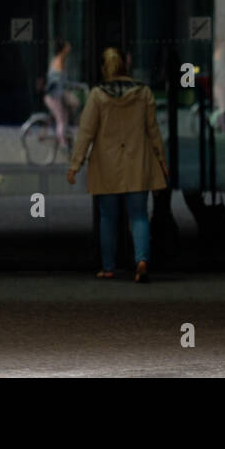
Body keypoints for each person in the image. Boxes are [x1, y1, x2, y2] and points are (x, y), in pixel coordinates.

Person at [66, 47, 169, 282]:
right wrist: (162, 160)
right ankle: (141, 260)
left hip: (107, 165)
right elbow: (153, 130)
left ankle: (108, 266)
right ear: (126, 64)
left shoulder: (97, 95)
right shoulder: (143, 92)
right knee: (140, 215)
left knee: (108, 218)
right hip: (137, 162)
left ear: (104, 68)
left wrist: (75, 164)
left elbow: (86, 132)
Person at [44, 38, 73, 147]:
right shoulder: (59, 61)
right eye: (67, 46)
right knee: (61, 119)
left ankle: (63, 134)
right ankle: (62, 143)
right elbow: (61, 81)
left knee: (66, 113)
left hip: (56, 95)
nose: (69, 48)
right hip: (53, 96)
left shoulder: (59, 60)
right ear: (63, 49)